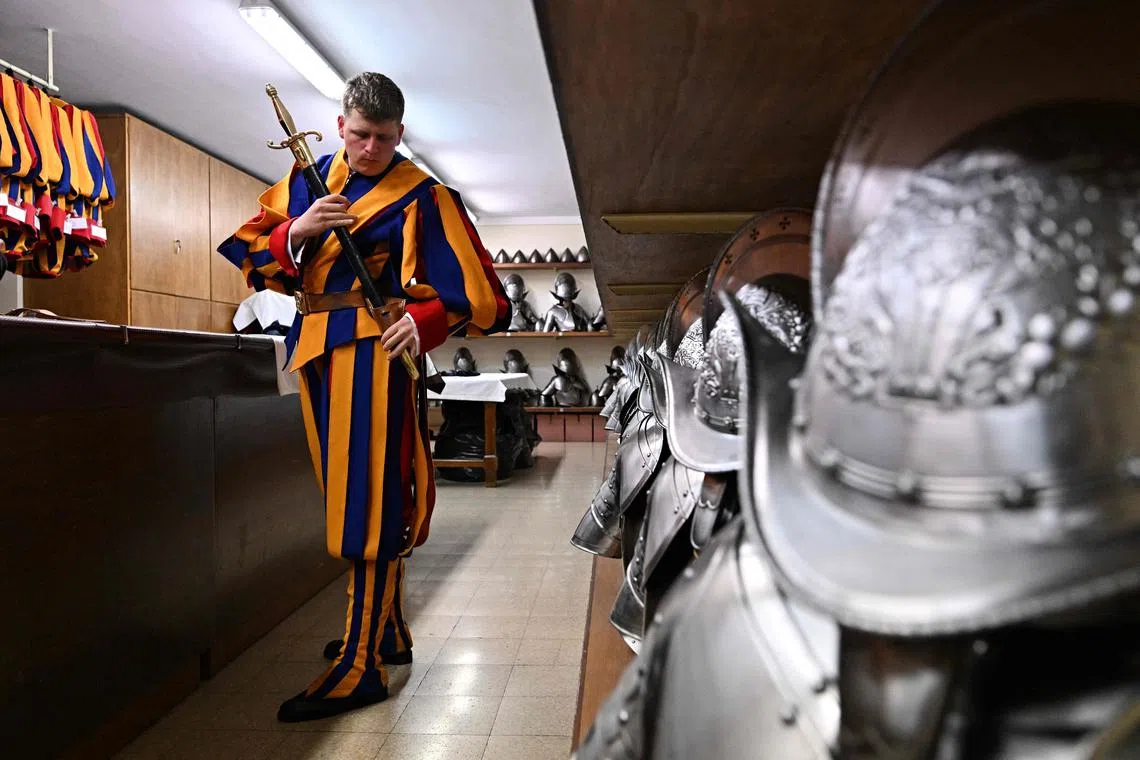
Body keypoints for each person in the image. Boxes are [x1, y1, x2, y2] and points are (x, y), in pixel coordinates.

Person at [218, 72, 510, 723]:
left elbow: (485, 296)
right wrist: (294, 231)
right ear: (340, 124)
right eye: (359, 134)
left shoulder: (423, 196)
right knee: (351, 490)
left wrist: (427, 320)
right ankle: (388, 631)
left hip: (376, 351)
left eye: (382, 137)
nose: (370, 148)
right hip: (314, 347)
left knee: (368, 499)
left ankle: (360, 665)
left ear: (400, 134)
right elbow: (247, 249)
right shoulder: (308, 180)